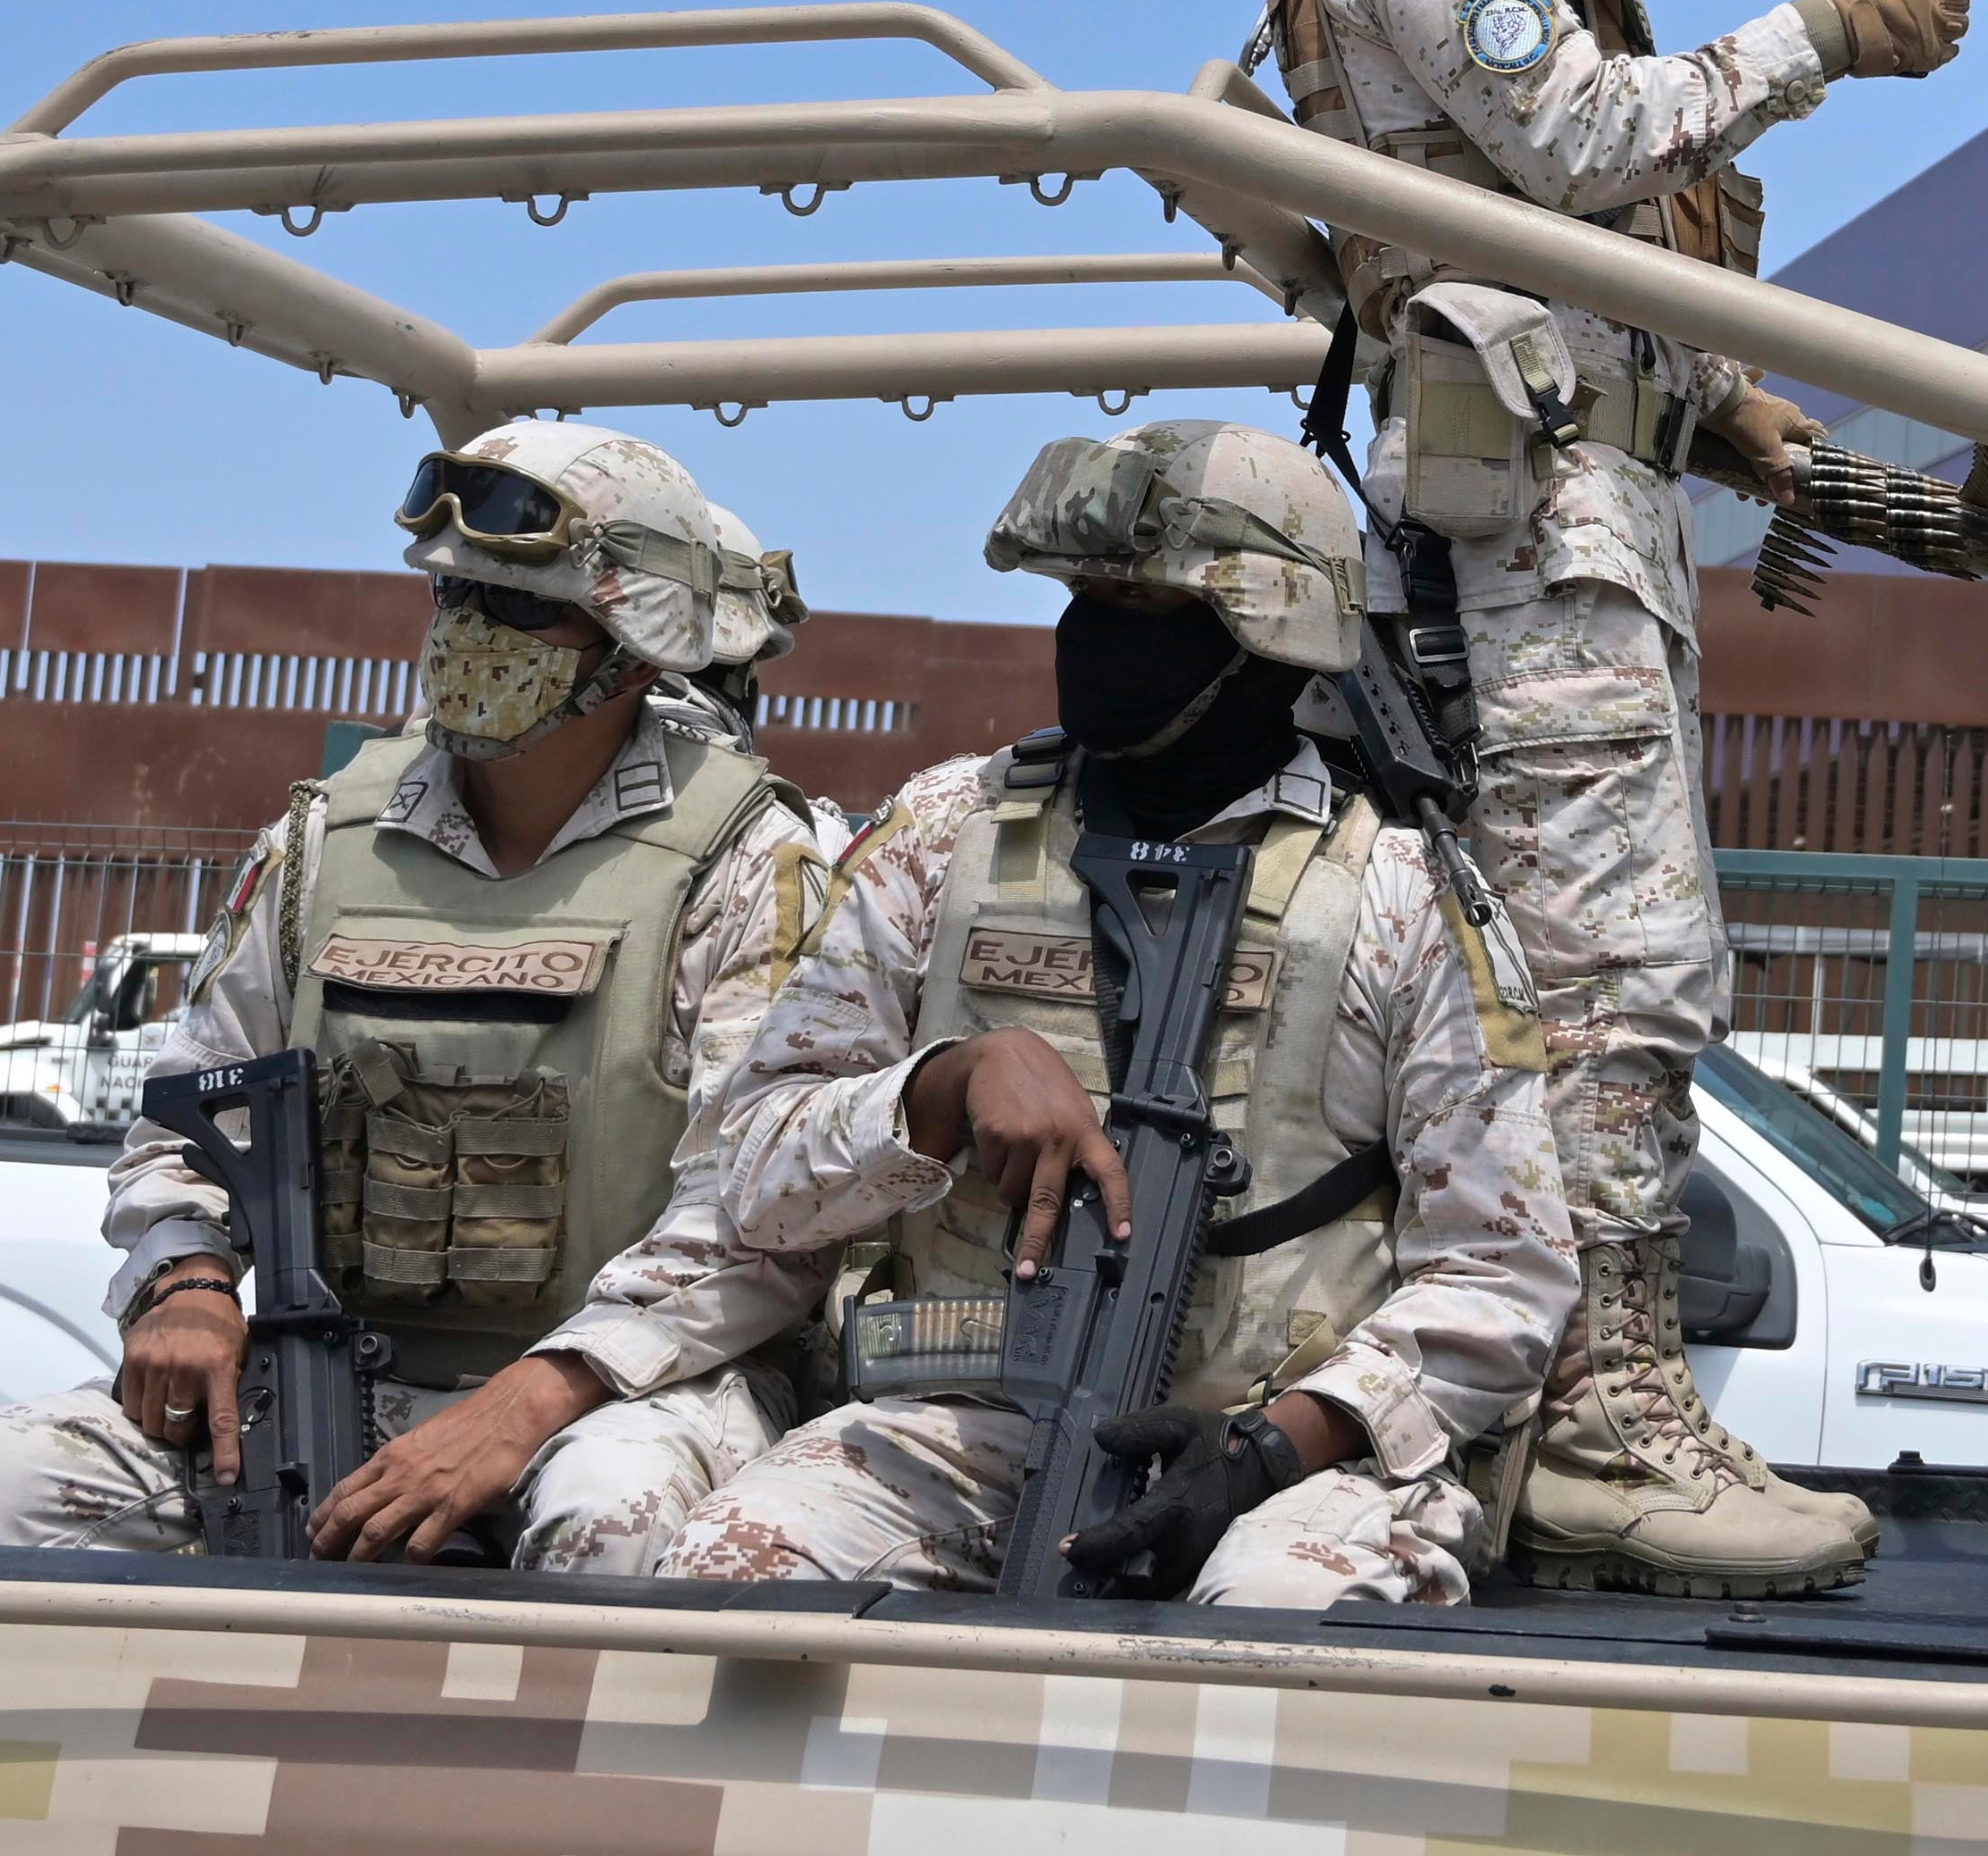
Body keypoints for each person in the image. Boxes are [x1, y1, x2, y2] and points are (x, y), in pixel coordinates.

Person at [1257, 0, 1988, 1594]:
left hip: (1589, 506)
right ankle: (1602, 1417)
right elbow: (1582, 147)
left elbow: (1564, 240)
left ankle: (1556, 1393)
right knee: (1607, 983)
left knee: (1605, 972)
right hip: (1526, 534)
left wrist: (1732, 411)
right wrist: (1825, 33)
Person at [0, 424, 848, 1569]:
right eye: (454, 598)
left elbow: (763, 1212)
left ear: (635, 645)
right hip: (330, 1374)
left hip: (630, 1388)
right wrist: (187, 1281)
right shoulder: (324, 838)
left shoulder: (750, 859)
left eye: (520, 609)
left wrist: (532, 1397)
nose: (469, 636)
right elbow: (183, 1120)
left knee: (615, 1522)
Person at [653, 420, 1574, 1607]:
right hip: (964, 1426)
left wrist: (1265, 1451)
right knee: (722, 1573)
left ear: (1267, 635)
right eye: (1084, 596)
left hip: (1281, 1457)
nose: (1089, 637)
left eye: (1141, 612)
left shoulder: (1398, 892)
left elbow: (1505, 1273)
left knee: (1284, 1618)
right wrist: (938, 1090)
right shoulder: (945, 834)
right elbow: (756, 1176)